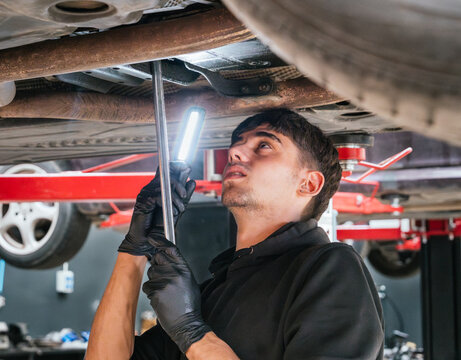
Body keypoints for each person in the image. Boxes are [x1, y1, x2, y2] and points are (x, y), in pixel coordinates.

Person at [85, 108, 384, 359]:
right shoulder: (215, 292)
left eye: (264, 145)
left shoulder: (329, 268)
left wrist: (193, 334)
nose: (234, 151)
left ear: (308, 184)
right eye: (237, 143)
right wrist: (135, 250)